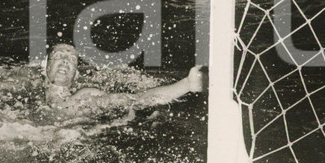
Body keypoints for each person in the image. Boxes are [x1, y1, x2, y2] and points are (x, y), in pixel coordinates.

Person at [42, 44, 204, 112]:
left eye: (72, 60)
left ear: (76, 74)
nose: (65, 60)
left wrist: (186, 85)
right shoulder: (21, 86)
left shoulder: (84, 97)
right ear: (45, 66)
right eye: (59, 55)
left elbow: (136, 99)